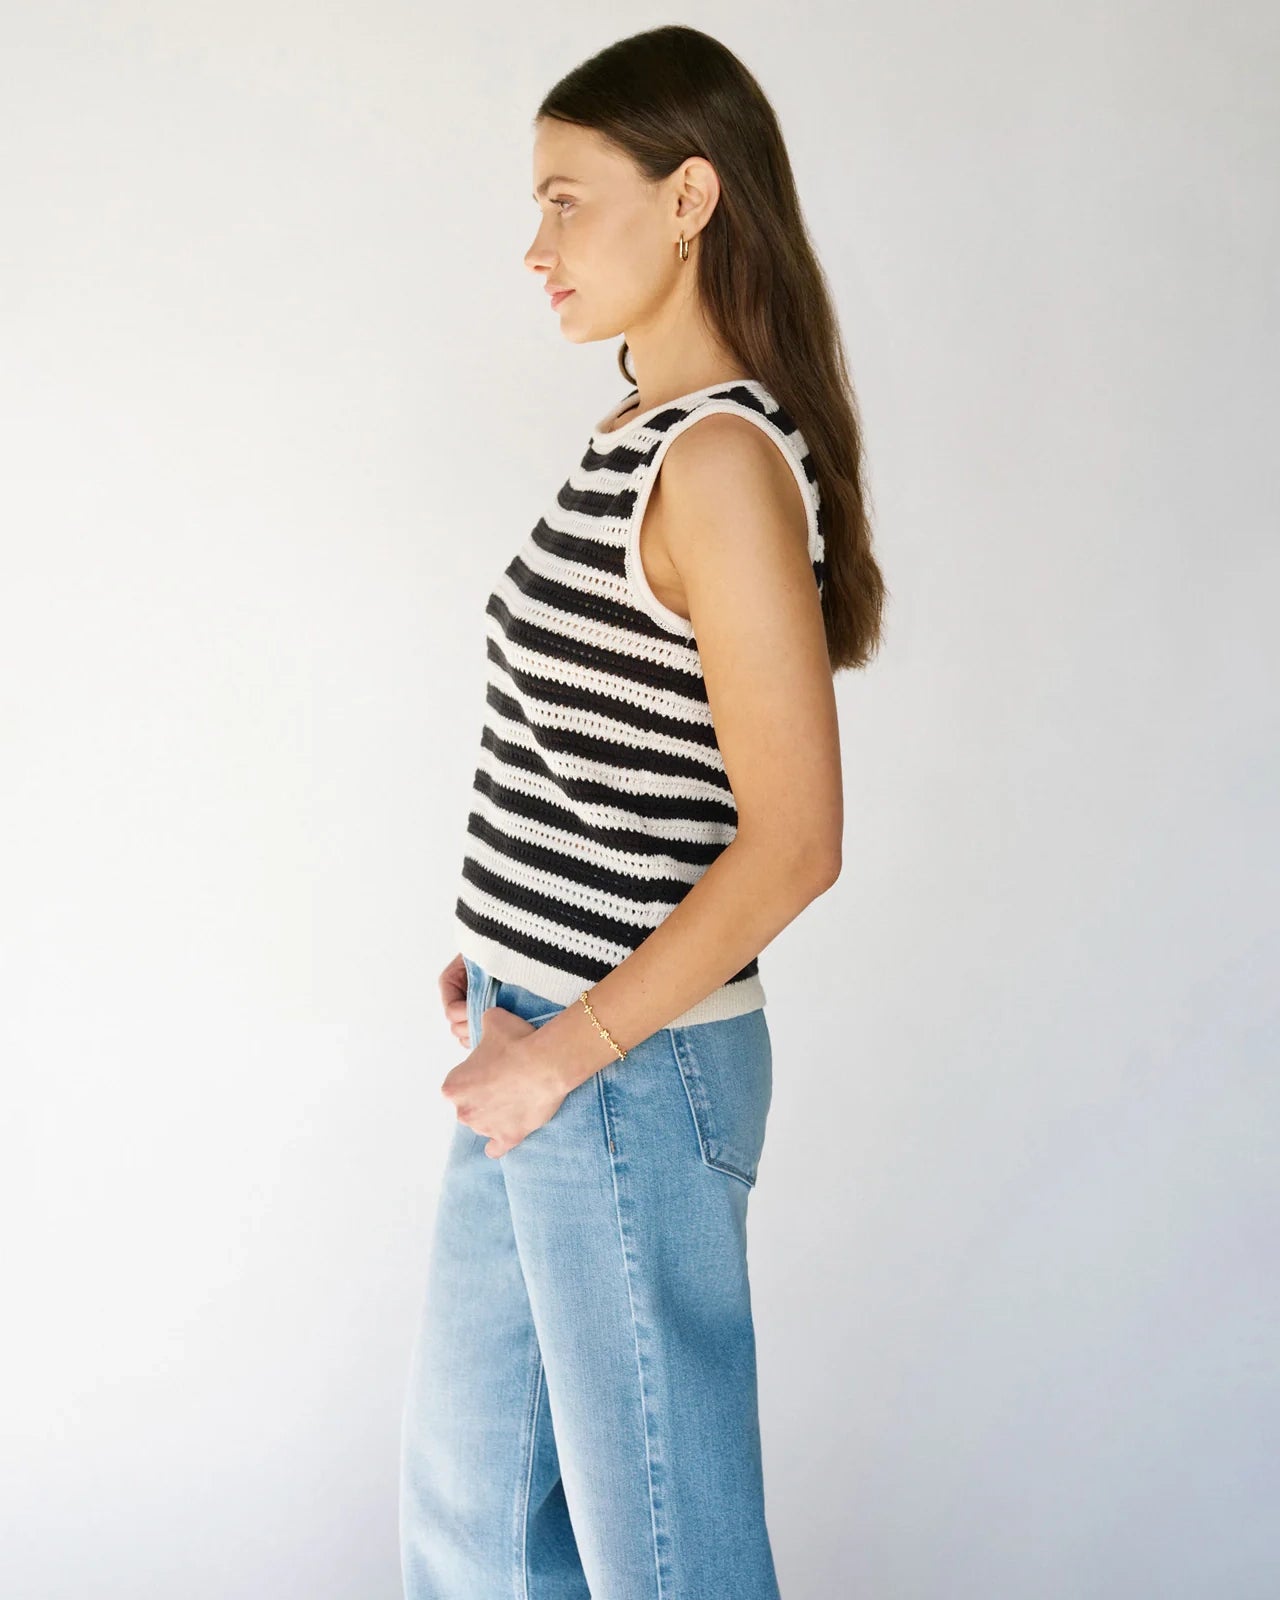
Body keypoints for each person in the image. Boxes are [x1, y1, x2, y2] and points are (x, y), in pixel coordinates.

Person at [400, 24, 885, 1599]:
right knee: (476, 1531)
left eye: (564, 201)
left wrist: (566, 1043)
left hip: (619, 1080)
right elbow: (607, 761)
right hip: (540, 1049)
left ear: (690, 198)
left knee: (658, 1563)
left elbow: (798, 841)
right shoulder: (635, 439)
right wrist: (510, 961)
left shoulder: (723, 462)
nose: (533, 246)